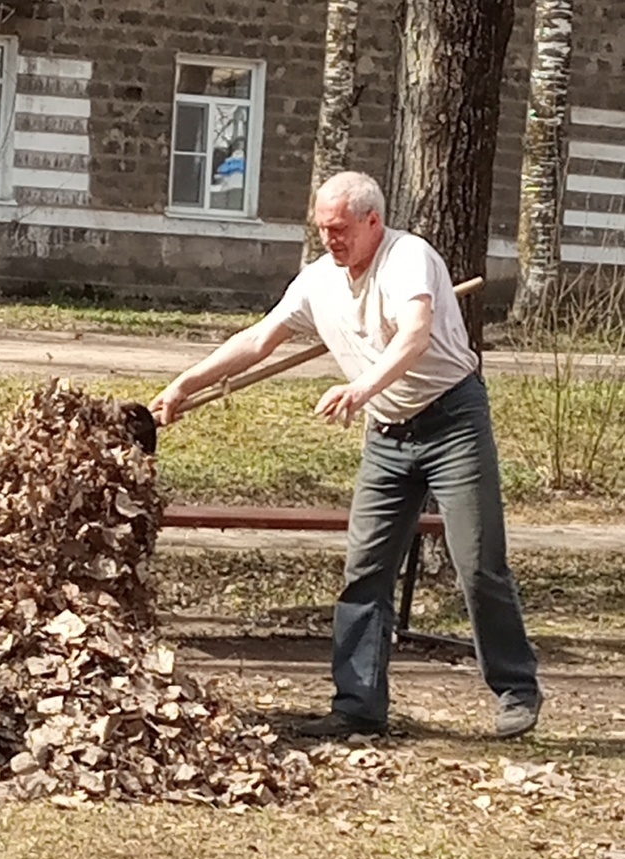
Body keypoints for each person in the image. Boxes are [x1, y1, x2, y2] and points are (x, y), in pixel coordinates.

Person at [149, 170, 542, 740]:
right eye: (322, 229)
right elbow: (258, 340)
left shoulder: (408, 258)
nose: (329, 240)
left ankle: (516, 689)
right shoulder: (318, 281)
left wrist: (361, 388)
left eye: (339, 229)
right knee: (365, 570)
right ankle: (358, 707)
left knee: (478, 562)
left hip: (452, 421)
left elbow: (415, 336)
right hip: (388, 436)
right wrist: (185, 383)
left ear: (372, 221)